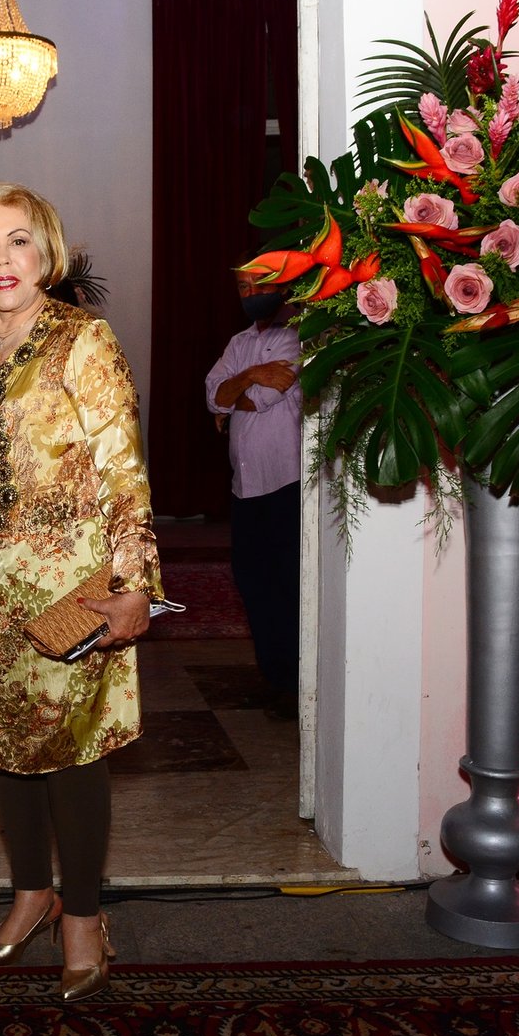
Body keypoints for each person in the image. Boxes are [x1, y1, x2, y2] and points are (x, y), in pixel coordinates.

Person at [0, 181, 163, 1003]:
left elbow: (123, 471)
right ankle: (32, 893)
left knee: (73, 752)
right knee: (7, 745)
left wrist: (132, 584)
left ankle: (85, 918)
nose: (3, 258)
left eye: (19, 240)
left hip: (71, 589)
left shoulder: (82, 339)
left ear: (48, 253)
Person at [204, 266, 302, 721]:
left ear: (282, 283)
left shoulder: (296, 336)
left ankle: (296, 683)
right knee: (252, 582)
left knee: (286, 585)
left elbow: (268, 393)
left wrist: (236, 391)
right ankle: (274, 678)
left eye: (260, 283)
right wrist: (250, 377)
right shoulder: (239, 342)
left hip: (285, 483)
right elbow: (213, 395)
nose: (251, 293)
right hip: (245, 486)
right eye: (243, 287)